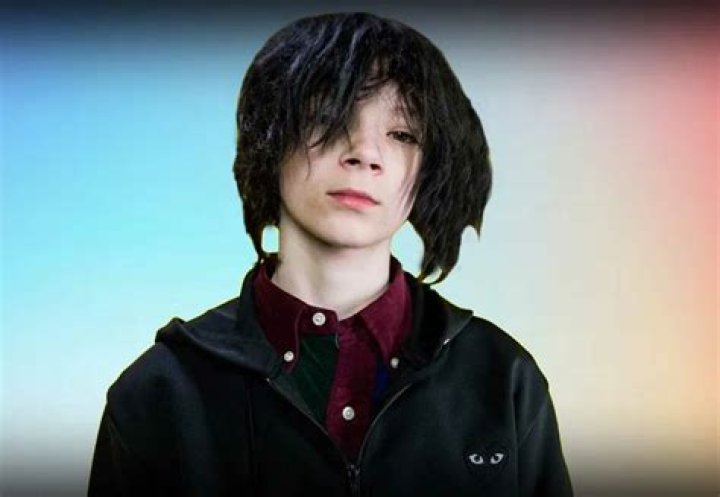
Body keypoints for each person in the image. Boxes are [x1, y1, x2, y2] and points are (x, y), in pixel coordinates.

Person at [88, 12, 573, 497]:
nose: (365, 153)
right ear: (269, 141)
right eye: (329, 118)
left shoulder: (502, 377)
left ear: (429, 168)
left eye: (402, 134)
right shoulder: (160, 392)